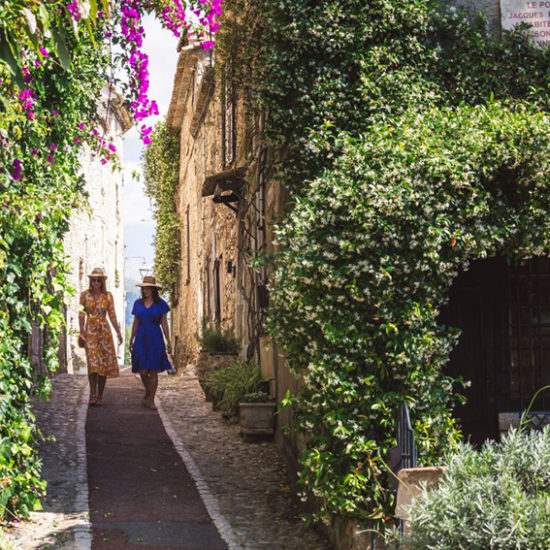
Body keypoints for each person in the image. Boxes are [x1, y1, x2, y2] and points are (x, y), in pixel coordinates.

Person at [79, 267, 123, 406]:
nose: (96, 283)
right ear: (90, 281)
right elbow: (81, 314)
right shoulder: (84, 295)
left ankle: (100, 396)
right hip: (90, 330)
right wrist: (81, 331)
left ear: (103, 281)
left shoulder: (108, 296)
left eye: (99, 280)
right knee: (93, 364)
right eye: (94, 280)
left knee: (103, 365)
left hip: (104, 331)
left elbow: (112, 315)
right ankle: (92, 394)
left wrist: (118, 332)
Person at [129, 275, 173, 410]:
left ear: (154, 290)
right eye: (144, 288)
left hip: (155, 337)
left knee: (153, 370)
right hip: (141, 337)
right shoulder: (138, 303)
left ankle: (151, 400)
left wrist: (169, 341)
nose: (145, 291)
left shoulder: (161, 304)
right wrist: (131, 339)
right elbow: (135, 322)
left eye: (148, 288)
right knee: (142, 370)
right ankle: (148, 393)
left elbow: (164, 324)